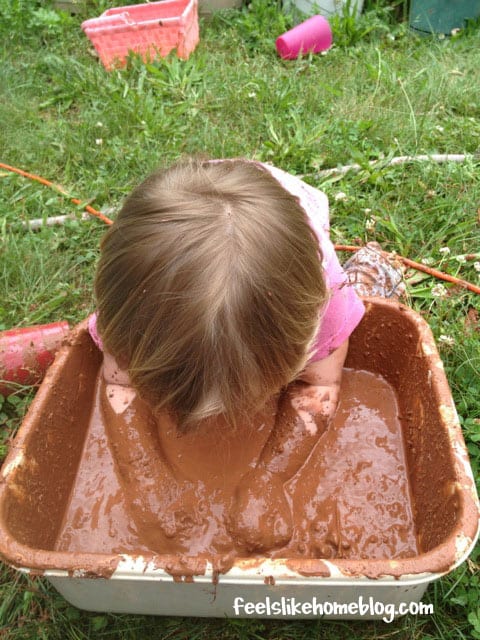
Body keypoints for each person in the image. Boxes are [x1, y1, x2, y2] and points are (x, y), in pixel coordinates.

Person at [89, 158, 367, 553]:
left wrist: (270, 478)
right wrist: (144, 479)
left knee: (359, 304)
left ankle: (373, 268)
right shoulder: (133, 320)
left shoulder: (324, 309)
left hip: (291, 216)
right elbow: (118, 382)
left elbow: (320, 384)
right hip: (190, 224)